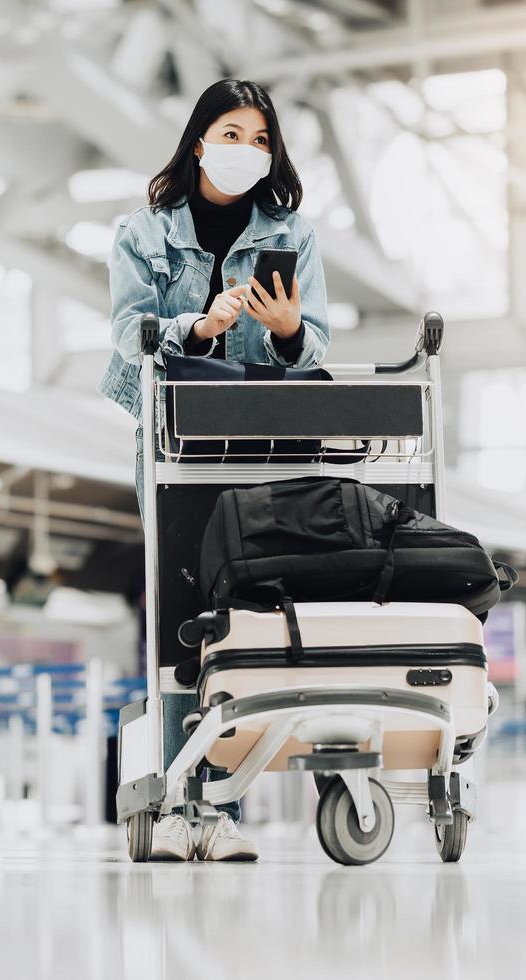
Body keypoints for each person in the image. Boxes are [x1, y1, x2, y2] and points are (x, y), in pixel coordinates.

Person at [98, 79, 331, 861]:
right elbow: (128, 335)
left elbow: (315, 347)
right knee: (177, 611)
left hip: (261, 441)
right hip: (170, 443)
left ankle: (222, 806)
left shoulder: (292, 235)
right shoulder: (141, 233)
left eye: (261, 139)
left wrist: (289, 331)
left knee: (247, 610)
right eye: (231, 134)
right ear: (198, 142)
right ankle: (174, 801)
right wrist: (195, 327)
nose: (247, 151)